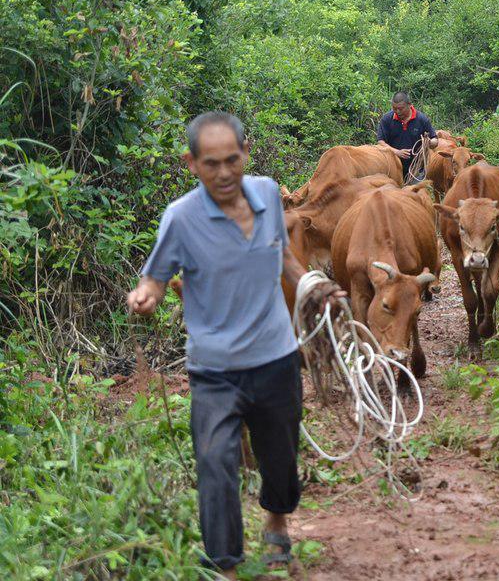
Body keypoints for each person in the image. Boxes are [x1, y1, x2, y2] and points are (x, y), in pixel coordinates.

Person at [126, 112, 340, 580]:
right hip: (215, 368)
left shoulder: (266, 192)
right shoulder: (181, 218)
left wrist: (313, 285)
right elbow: (157, 277)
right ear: (191, 163)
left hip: (276, 356)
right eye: (210, 163)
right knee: (215, 461)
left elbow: (284, 256)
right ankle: (225, 564)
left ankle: (277, 522)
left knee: (279, 455)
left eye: (232, 160)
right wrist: (146, 296)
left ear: (246, 152)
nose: (223, 173)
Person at [376, 91, 437, 180]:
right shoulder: (387, 119)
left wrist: (429, 142)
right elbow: (381, 142)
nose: (397, 111)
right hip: (392, 167)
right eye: (394, 108)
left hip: (416, 169)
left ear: (410, 105)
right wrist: (397, 152)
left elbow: (435, 141)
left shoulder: (421, 119)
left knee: (414, 193)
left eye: (401, 108)